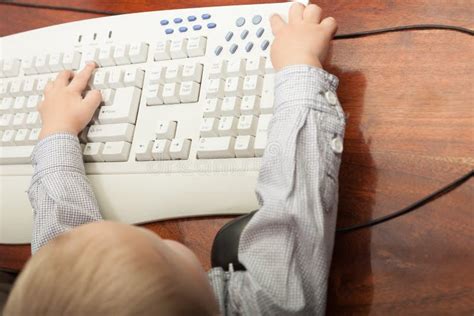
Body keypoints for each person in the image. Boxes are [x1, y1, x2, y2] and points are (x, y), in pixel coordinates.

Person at [4, 3, 345, 315]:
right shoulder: (275, 306)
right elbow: (295, 203)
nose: (165, 241)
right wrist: (300, 65)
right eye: (160, 247)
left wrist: (57, 132)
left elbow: (61, 243)